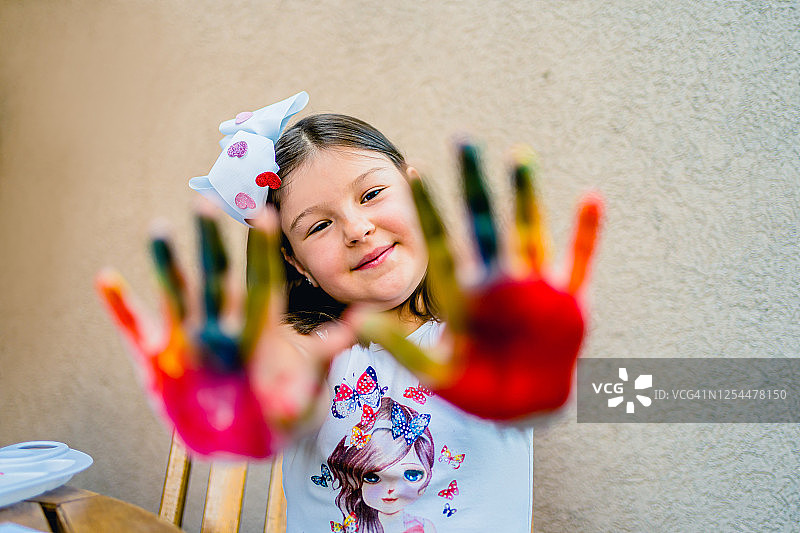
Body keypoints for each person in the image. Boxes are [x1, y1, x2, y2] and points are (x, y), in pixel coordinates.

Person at [267, 112, 534, 532]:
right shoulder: (312, 350)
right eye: (320, 225)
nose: (357, 229)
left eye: (371, 193)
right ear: (297, 263)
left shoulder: (485, 331)